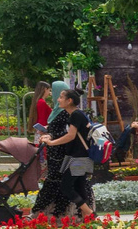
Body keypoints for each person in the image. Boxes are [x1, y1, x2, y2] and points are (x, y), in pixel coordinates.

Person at [31, 86, 98, 220]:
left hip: (79, 158)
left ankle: (90, 213)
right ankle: (87, 218)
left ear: (69, 101)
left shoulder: (75, 115)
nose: (58, 100)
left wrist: (52, 142)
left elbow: (71, 136)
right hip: (79, 157)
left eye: (61, 97)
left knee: (66, 187)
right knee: (79, 186)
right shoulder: (76, 114)